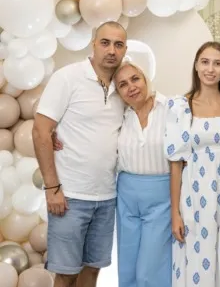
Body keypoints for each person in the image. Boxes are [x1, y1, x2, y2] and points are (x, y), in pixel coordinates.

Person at [32, 21, 127, 287]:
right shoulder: (68, 77)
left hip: (107, 198)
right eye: (105, 43)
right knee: (66, 274)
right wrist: (52, 187)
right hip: (69, 196)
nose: (111, 50)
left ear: (125, 49)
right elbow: (41, 130)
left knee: (93, 271)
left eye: (118, 45)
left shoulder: (123, 86)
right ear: (93, 44)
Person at [164, 41, 220, 287]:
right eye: (205, 62)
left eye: (217, 63)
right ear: (196, 66)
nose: (210, 69)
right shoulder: (180, 106)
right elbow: (175, 163)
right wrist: (175, 213)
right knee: (196, 262)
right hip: (193, 196)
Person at [113, 61, 172, 287]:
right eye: (123, 84)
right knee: (127, 267)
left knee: (151, 269)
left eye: (135, 79)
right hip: (126, 195)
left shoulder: (171, 108)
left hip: (161, 196)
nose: (131, 87)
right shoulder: (119, 116)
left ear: (145, 78)